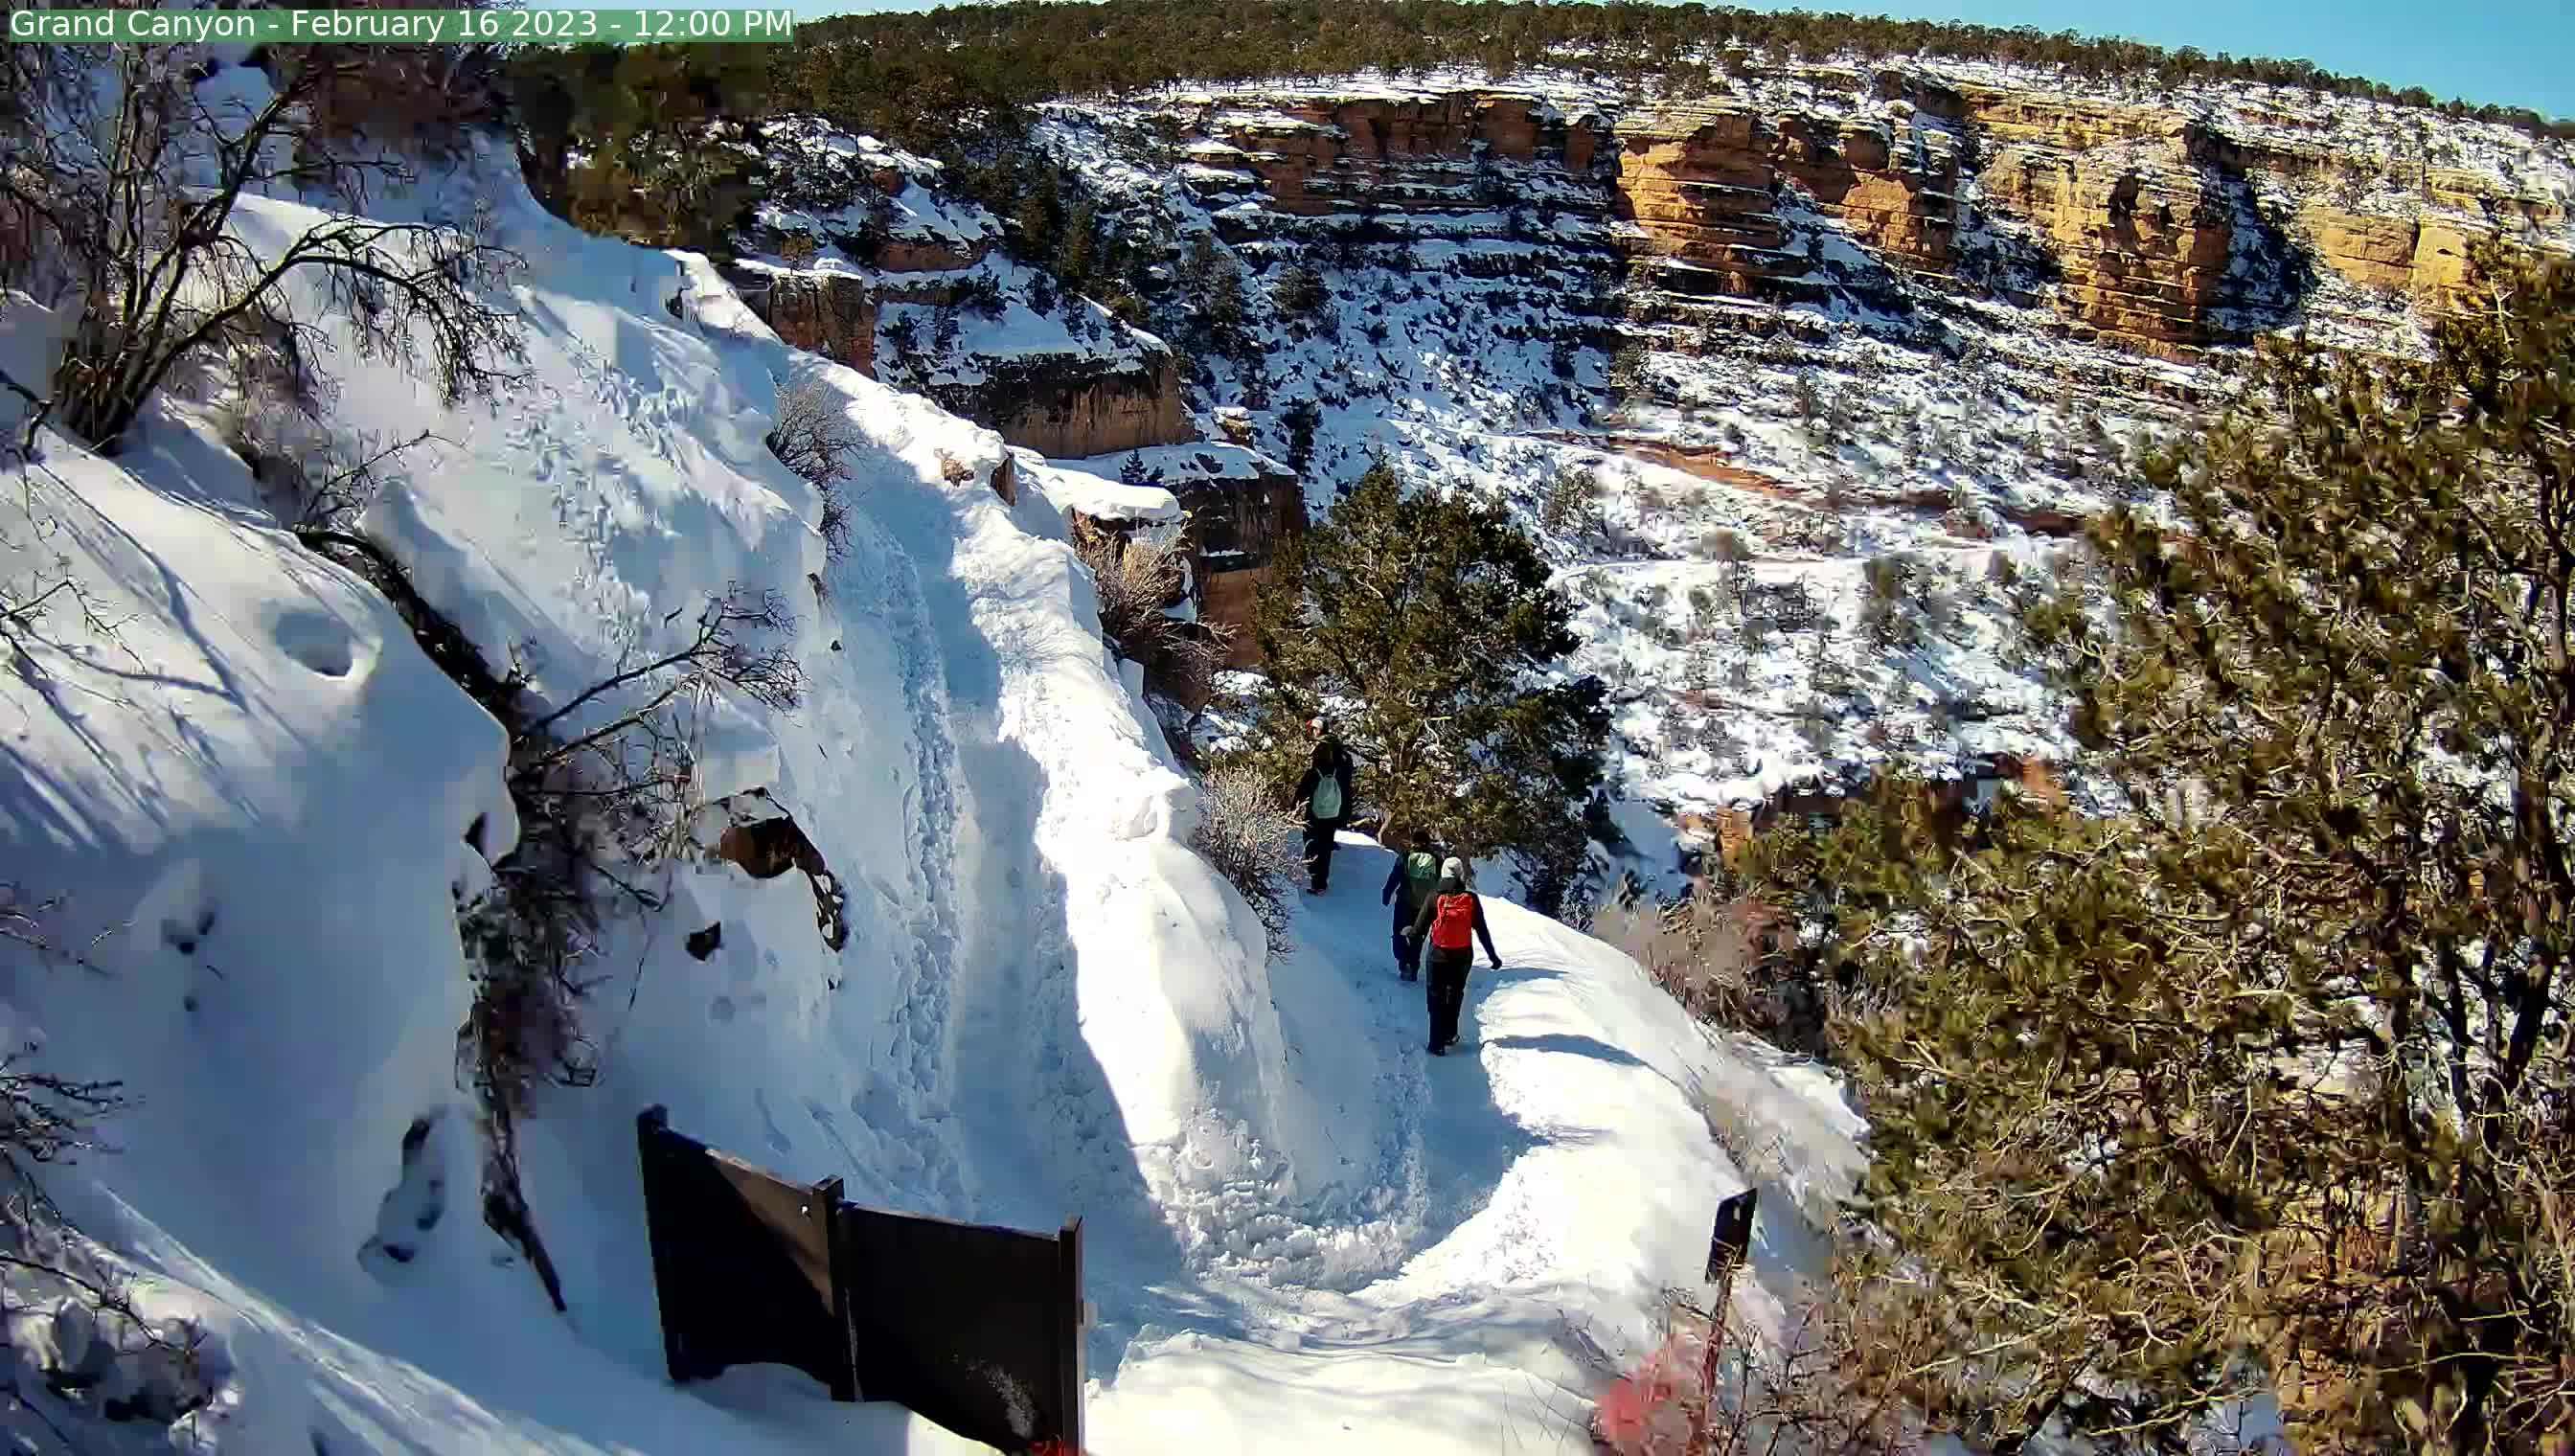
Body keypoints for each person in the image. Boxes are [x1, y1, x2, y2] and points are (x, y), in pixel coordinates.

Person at [1408, 856, 1501, 1056]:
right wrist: (1493, 957)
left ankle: (1436, 1044)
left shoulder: (1434, 896)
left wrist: (1408, 934)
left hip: (1438, 954)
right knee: (1455, 993)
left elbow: (1419, 929)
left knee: (1436, 996)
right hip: (1463, 955)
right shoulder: (1471, 899)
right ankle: (1450, 1034)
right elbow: (1482, 930)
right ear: (1460, 875)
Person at [1291, 720, 1356, 893]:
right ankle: (1321, 882)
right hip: (1332, 814)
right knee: (1326, 847)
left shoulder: (1313, 772)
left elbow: (1301, 793)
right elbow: (1347, 794)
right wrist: (1344, 815)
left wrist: (1292, 810)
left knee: (1311, 844)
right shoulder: (1339, 772)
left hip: (1313, 814)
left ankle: (1314, 877)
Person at [1379, 831, 1444, 982]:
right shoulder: (1437, 860)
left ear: (1413, 841)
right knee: (1417, 938)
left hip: (1404, 903)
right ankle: (1413, 967)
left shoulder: (1406, 856)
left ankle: (1403, 963)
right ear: (1428, 843)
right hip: (1426, 907)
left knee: (1399, 933)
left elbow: (1394, 877)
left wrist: (1386, 894)